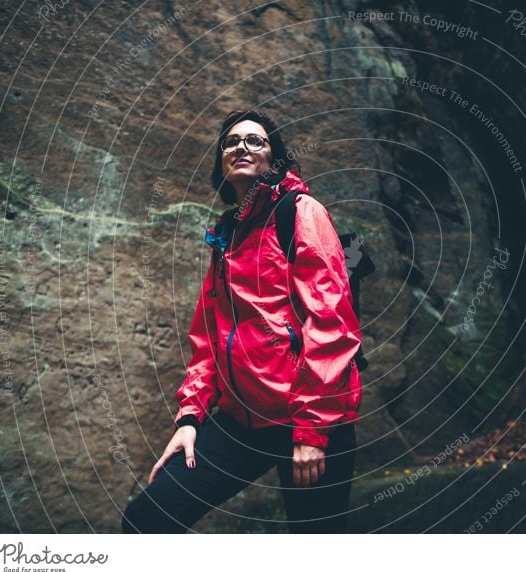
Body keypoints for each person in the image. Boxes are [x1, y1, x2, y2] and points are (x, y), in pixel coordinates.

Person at [121, 109, 363, 533]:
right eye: (231, 142)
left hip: (308, 420)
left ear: (275, 158)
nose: (241, 147)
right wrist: (191, 417)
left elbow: (331, 322)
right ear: (222, 163)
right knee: (148, 517)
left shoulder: (301, 212)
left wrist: (310, 431)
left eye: (256, 140)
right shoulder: (227, 232)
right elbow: (209, 337)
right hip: (243, 419)